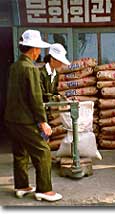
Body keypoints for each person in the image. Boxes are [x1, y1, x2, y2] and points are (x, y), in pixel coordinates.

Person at [4, 29, 62, 201]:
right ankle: (44, 190)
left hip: (11, 118)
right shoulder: (31, 69)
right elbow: (35, 98)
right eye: (38, 49)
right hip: (25, 120)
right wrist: (43, 121)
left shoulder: (14, 66)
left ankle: (22, 186)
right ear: (34, 49)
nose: (39, 53)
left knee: (20, 152)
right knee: (43, 151)